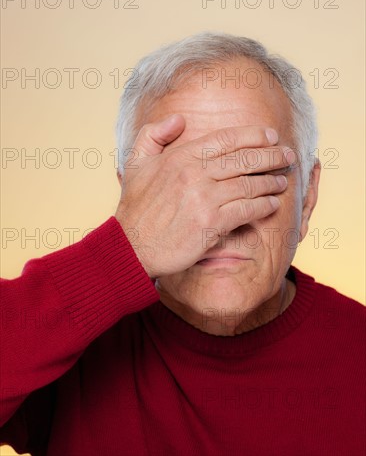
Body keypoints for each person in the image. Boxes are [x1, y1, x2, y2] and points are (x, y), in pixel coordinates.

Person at [0, 32, 364, 456]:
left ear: (307, 198)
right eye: (179, 184)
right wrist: (124, 249)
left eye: (254, 174)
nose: (215, 217)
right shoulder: (66, 351)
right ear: (133, 199)